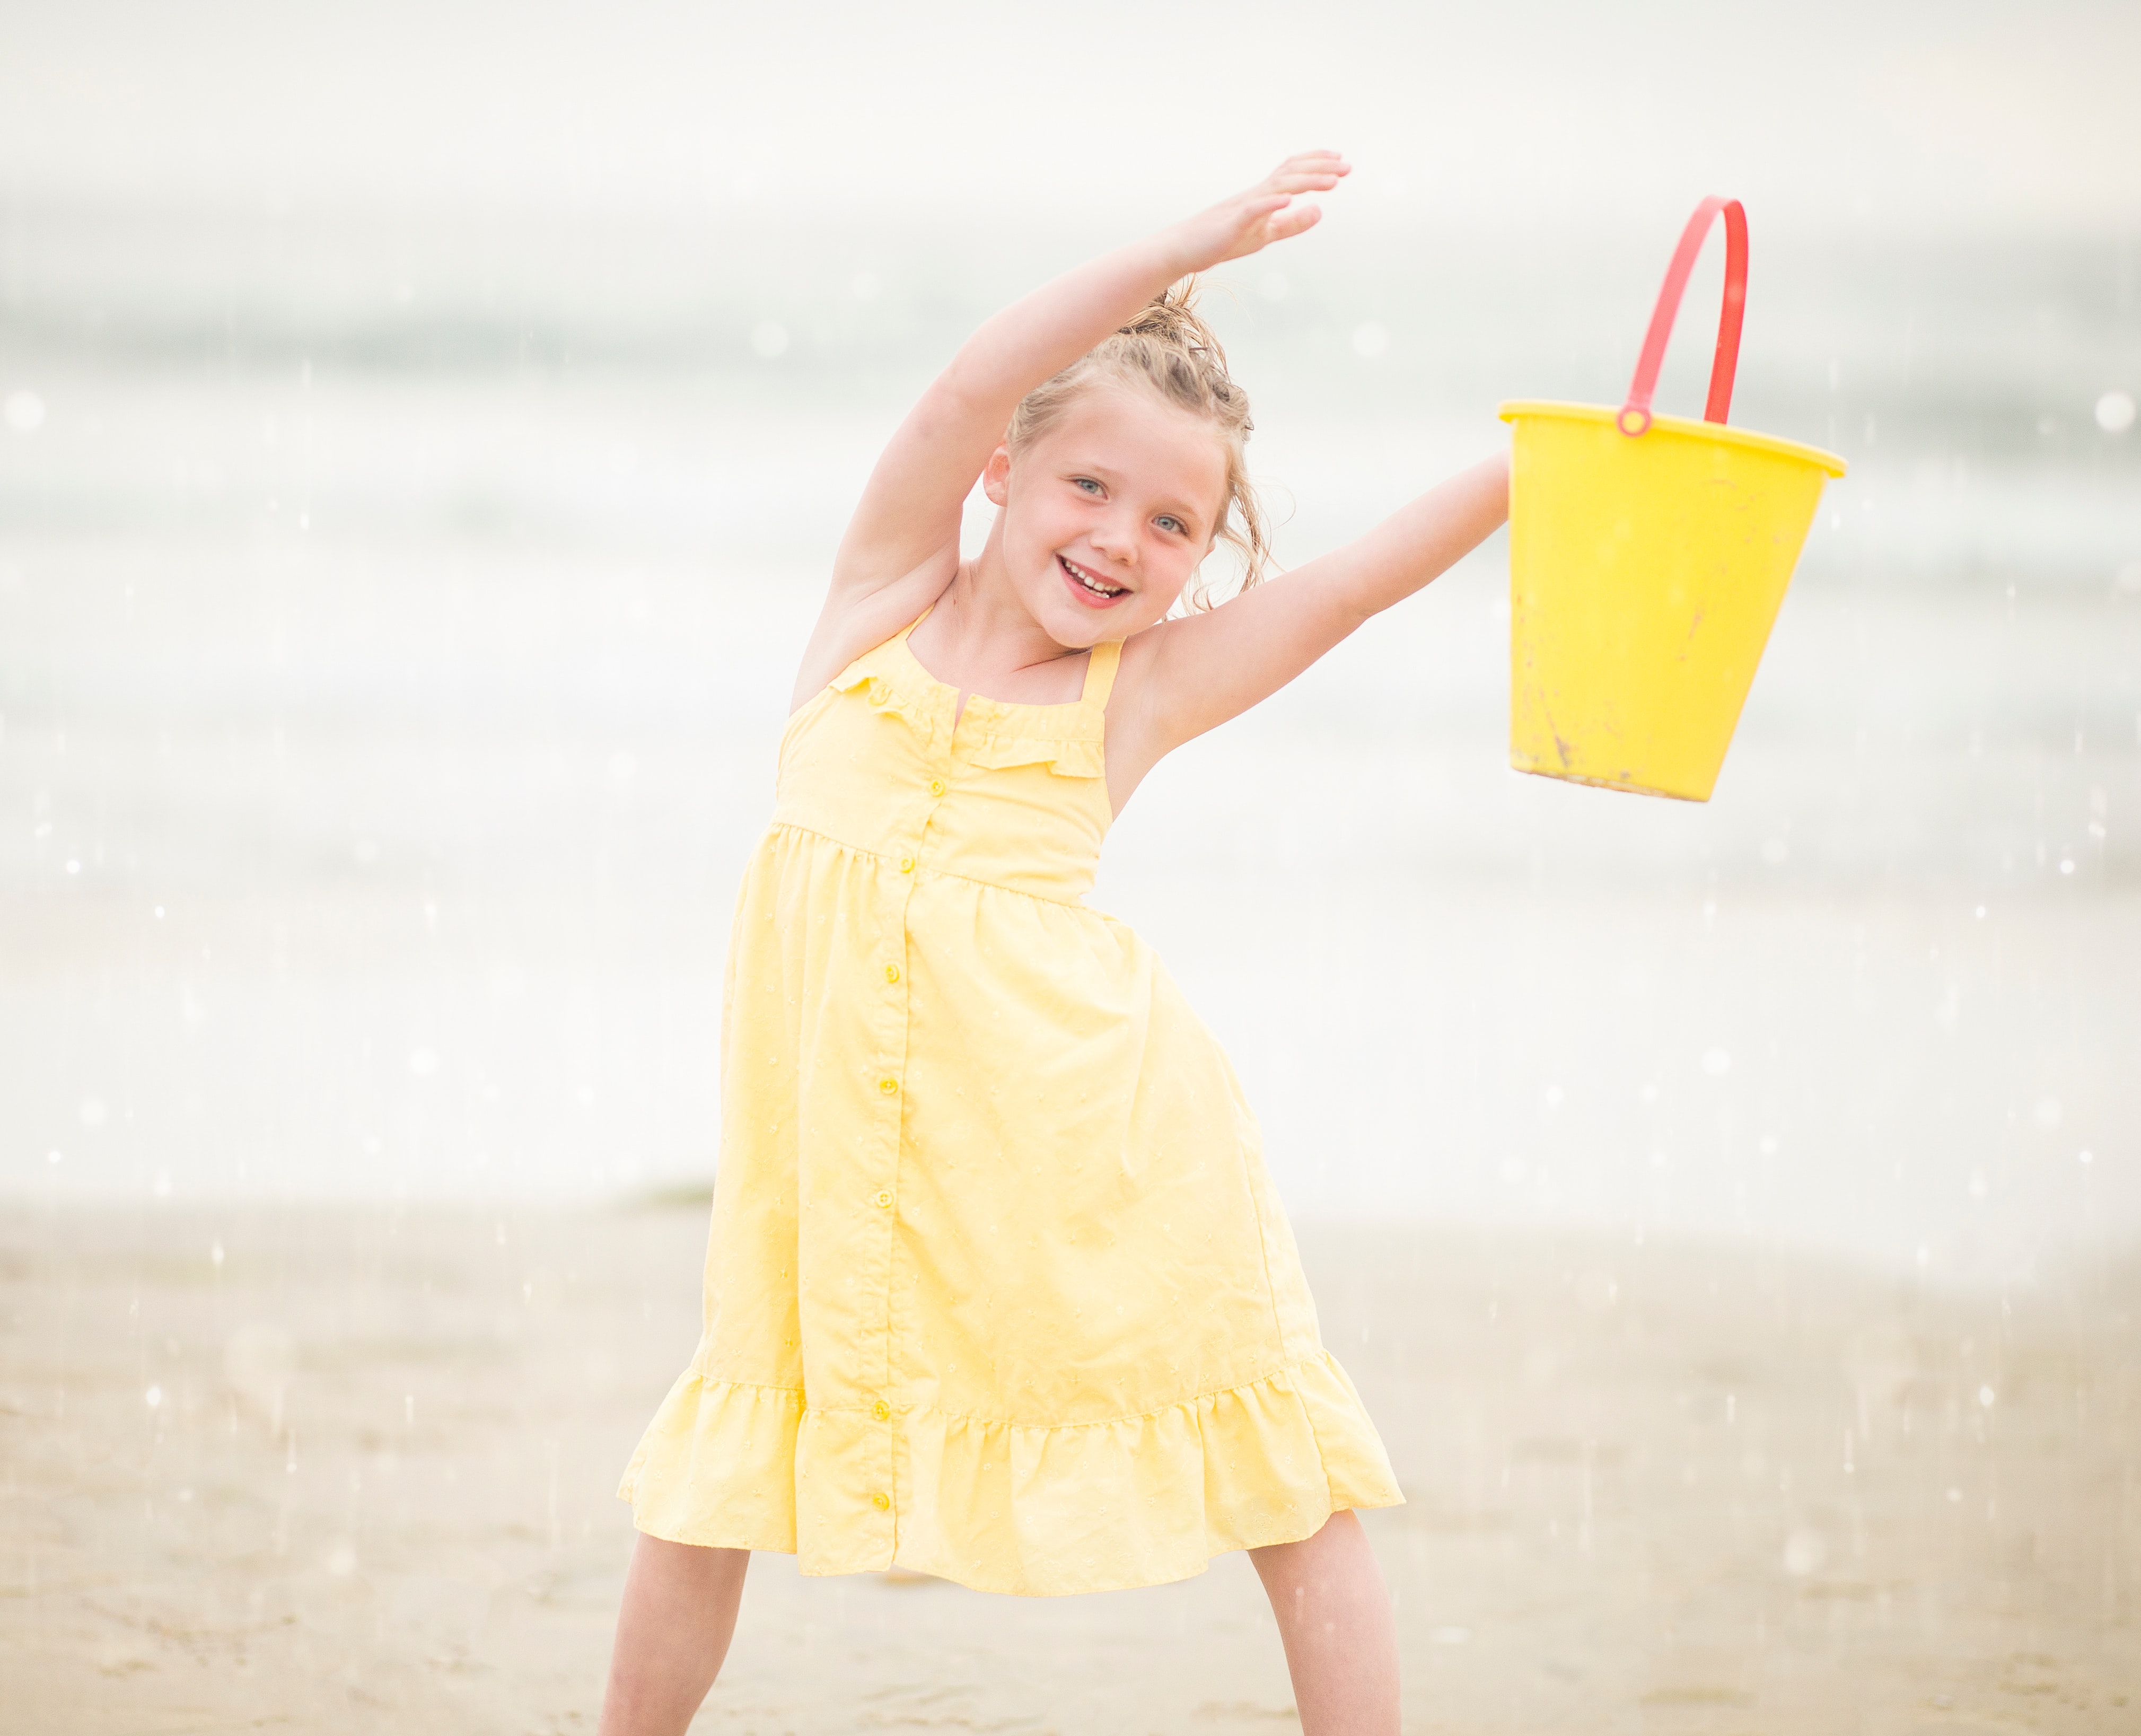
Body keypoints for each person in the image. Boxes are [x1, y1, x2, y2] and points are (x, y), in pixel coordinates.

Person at [598, 152, 1510, 1736]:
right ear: (1002, 474)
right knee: (723, 1453)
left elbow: (1354, 586)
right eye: (1089, 487)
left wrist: (1547, 466)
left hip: (1090, 1148)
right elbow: (972, 378)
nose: (1120, 540)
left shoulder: (1134, 695)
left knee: (1281, 1458)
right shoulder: (880, 599)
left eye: (1174, 523)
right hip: (840, 1157)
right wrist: (1182, 246)